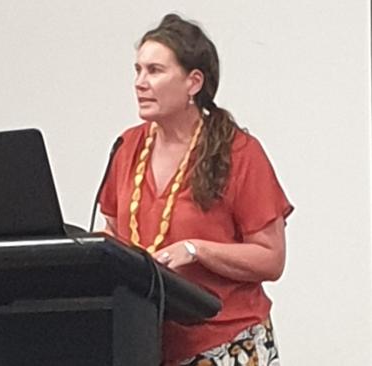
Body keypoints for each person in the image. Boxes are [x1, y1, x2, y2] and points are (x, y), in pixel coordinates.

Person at [99, 14, 292, 366]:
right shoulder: (127, 147)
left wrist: (196, 250)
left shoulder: (239, 152)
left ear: (193, 82)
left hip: (225, 342)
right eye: (137, 70)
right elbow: (113, 232)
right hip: (143, 344)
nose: (140, 83)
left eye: (155, 71)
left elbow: (271, 257)